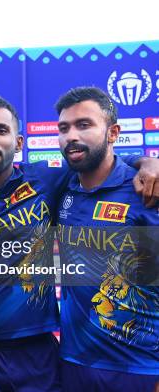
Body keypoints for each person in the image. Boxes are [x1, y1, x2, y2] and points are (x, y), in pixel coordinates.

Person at [0, 95, 159, 391]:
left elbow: (99, 156)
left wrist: (148, 161)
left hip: (48, 355)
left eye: (1, 131)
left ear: (19, 143)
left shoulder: (47, 182)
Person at [55, 87, 158, 391]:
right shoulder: (62, 187)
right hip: (73, 364)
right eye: (64, 128)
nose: (71, 135)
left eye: (84, 125)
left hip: (140, 368)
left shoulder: (146, 191)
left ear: (113, 132)